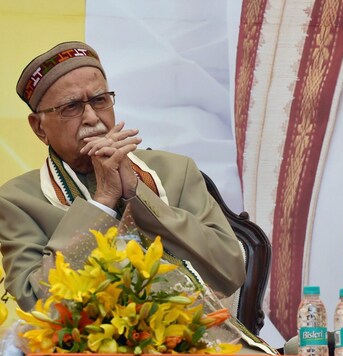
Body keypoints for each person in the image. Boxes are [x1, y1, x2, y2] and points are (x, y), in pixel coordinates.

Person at [0, 41, 246, 311]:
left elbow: (230, 270)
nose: (92, 118)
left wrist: (137, 194)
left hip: (194, 337)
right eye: (71, 107)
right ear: (39, 128)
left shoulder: (176, 171)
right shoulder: (18, 201)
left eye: (99, 100)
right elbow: (36, 303)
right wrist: (102, 202)